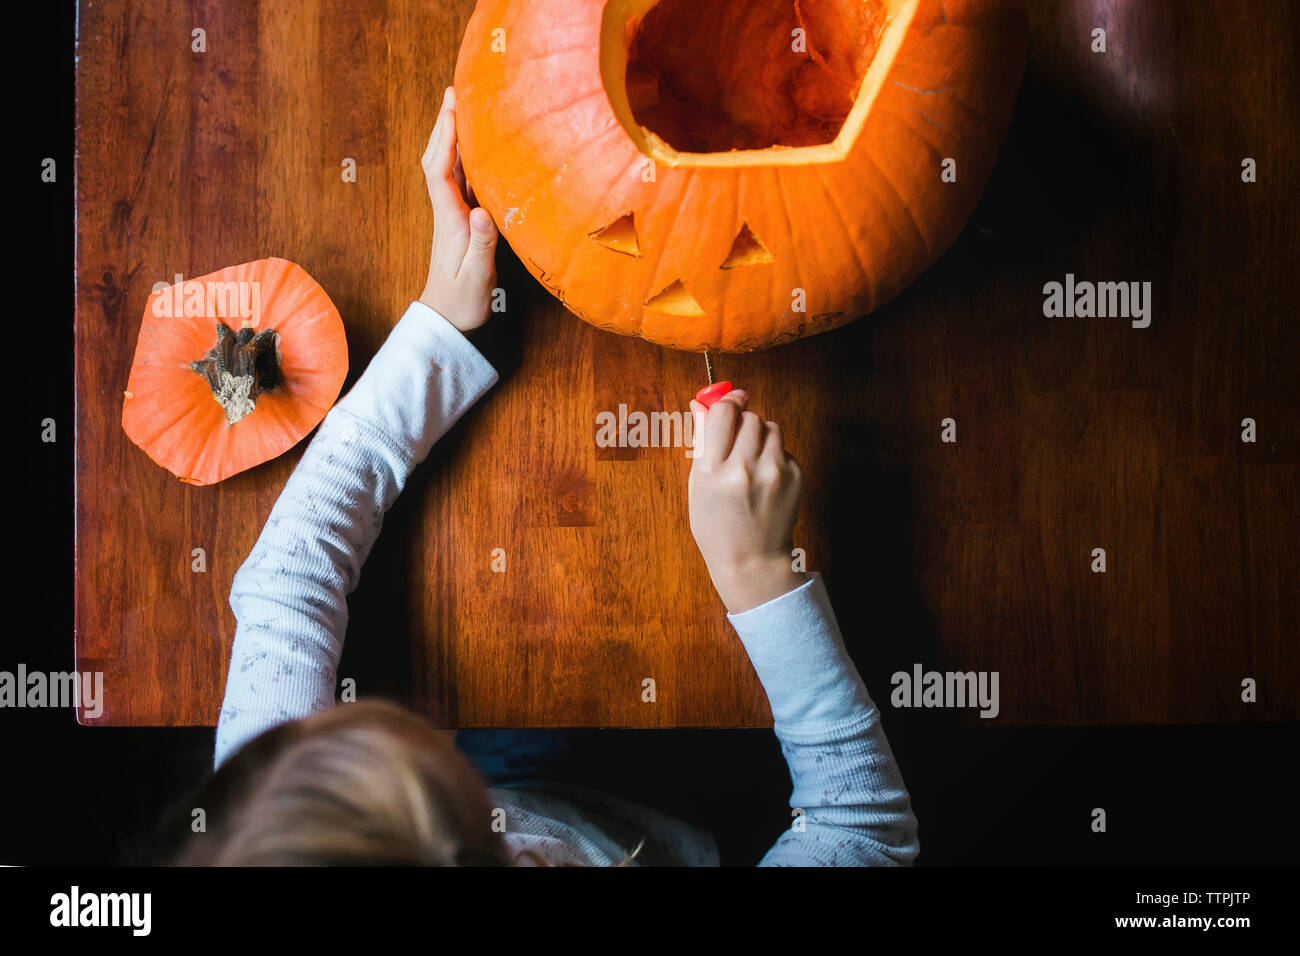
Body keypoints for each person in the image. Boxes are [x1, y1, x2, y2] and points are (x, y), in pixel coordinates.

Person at [182, 88, 918, 867]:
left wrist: (437, 330)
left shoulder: (280, 830)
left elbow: (286, 586)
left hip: (526, 777)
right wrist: (762, 572)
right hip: (710, 816)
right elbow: (858, 832)